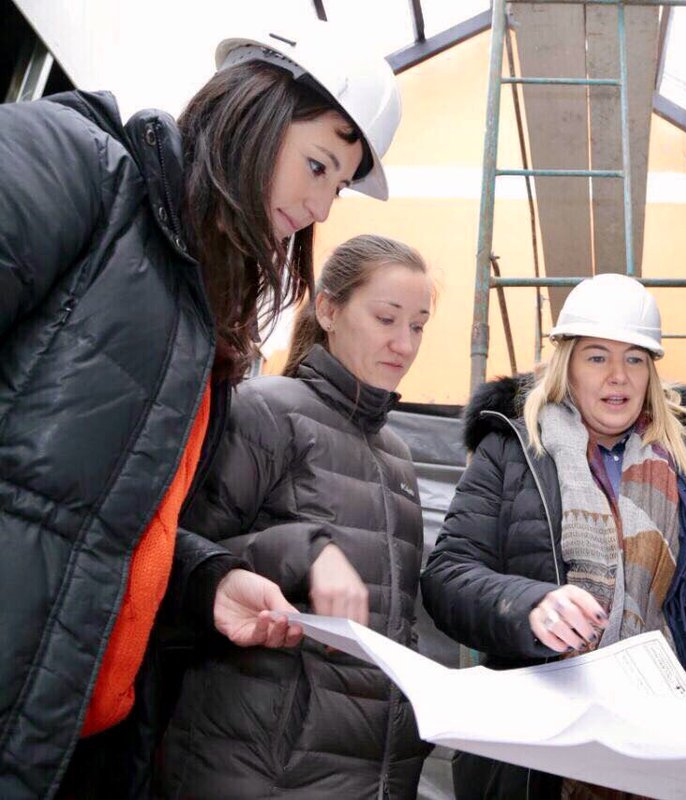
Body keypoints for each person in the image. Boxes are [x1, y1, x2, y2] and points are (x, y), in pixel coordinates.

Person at [0, 22, 401, 798]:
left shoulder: (204, 316)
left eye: (338, 185)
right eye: (318, 164)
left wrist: (204, 580)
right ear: (251, 109)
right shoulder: (75, 164)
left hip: (84, 740)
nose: (320, 207)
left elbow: (109, 519)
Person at [421, 273, 686, 799]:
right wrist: (530, 606)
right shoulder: (513, 449)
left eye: (635, 358)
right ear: (566, 363)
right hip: (538, 754)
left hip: (667, 745)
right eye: (597, 356)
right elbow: (448, 575)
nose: (618, 376)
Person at [158, 235, 434, 797]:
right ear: (329, 309)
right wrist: (303, 551)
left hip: (373, 777)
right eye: (387, 317)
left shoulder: (399, 458)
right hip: (257, 772)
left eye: (419, 325)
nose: (403, 344)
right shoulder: (265, 410)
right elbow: (174, 558)